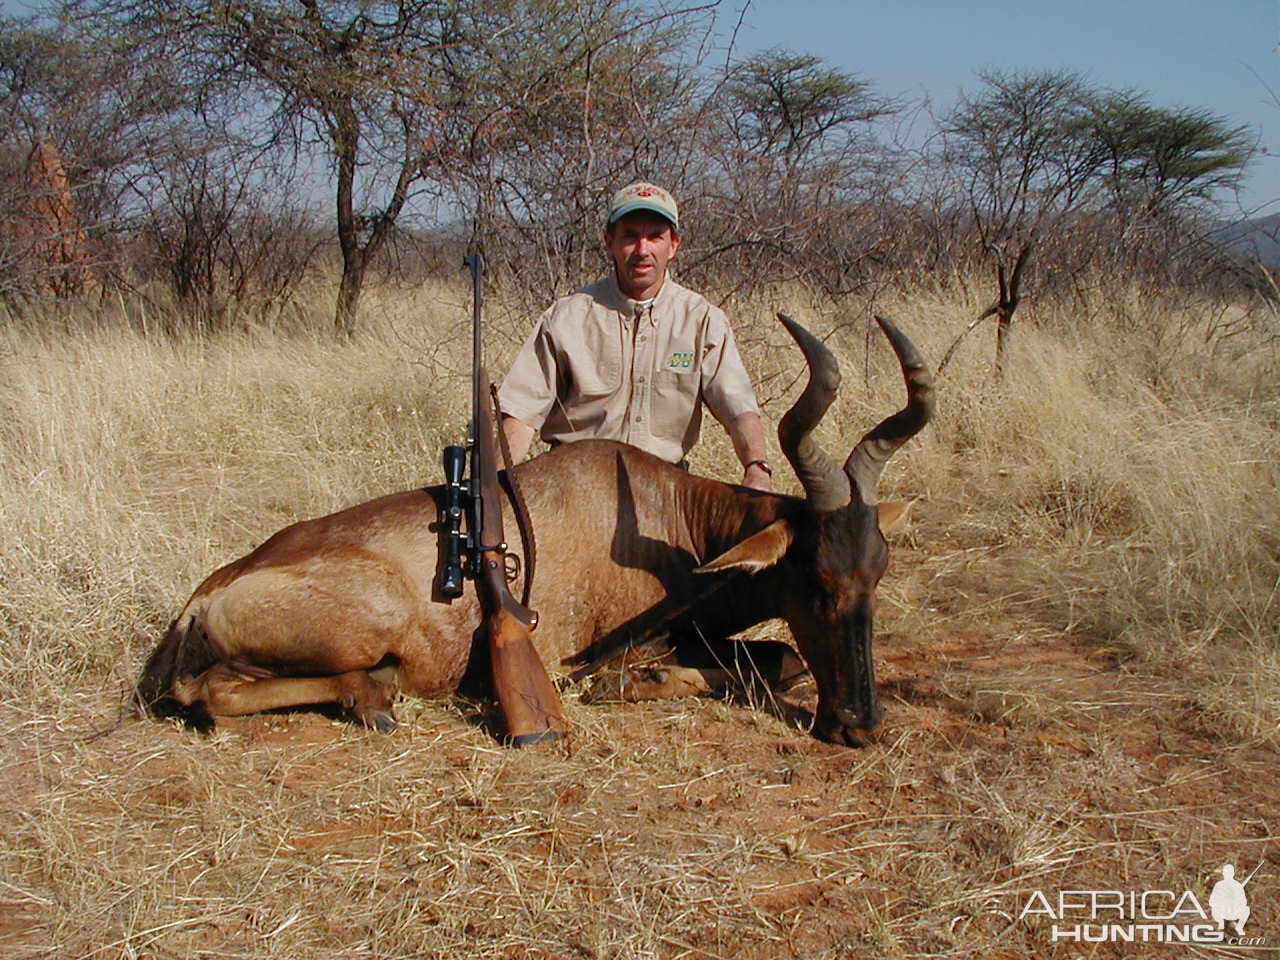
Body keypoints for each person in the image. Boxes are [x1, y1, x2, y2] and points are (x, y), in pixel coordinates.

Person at [497, 181, 773, 492]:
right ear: (610, 242)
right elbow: (520, 415)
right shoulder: (566, 317)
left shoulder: (703, 320)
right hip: (573, 488)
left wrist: (757, 469)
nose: (643, 250)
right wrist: (492, 487)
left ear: (673, 245)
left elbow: (738, 409)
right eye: (630, 236)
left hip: (664, 493)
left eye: (655, 236)